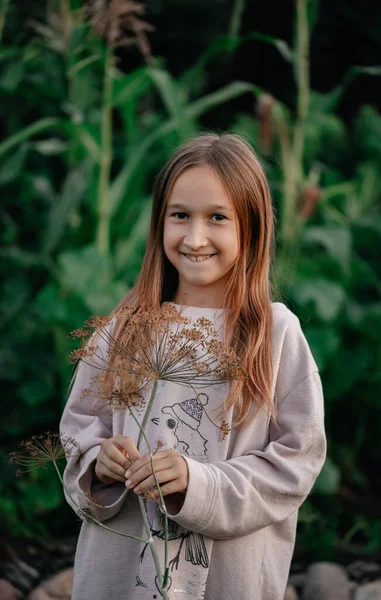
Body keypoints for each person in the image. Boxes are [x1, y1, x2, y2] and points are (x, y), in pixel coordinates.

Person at [60, 132, 326, 600]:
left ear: (251, 228)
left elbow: (296, 462)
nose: (194, 237)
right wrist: (99, 466)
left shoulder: (275, 334)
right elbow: (78, 436)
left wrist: (197, 483)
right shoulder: (121, 331)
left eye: (217, 218)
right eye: (180, 215)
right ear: (159, 222)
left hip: (225, 578)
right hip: (122, 576)